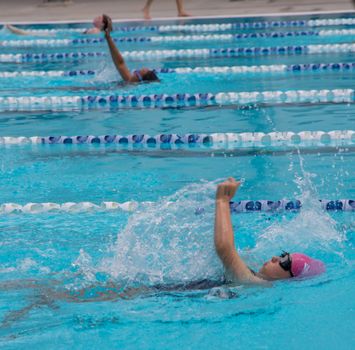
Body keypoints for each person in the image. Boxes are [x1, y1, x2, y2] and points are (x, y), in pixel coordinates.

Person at [214, 177, 326, 284]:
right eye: (282, 255)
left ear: (290, 279)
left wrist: (222, 200)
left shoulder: (255, 283)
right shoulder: (255, 274)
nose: (274, 258)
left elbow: (225, 249)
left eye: (283, 263)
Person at [102, 15, 159, 83]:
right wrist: (108, 37)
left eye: (137, 73)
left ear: (140, 80)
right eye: (137, 71)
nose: (134, 72)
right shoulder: (130, 80)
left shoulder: (129, 86)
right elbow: (120, 63)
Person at [5, 15, 103, 36]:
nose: (96, 17)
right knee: (32, 34)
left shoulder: (95, 30)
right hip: (64, 35)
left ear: (102, 24)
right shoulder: (95, 30)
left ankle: (15, 31)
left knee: (32, 34)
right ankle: (15, 30)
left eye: (99, 18)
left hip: (64, 36)